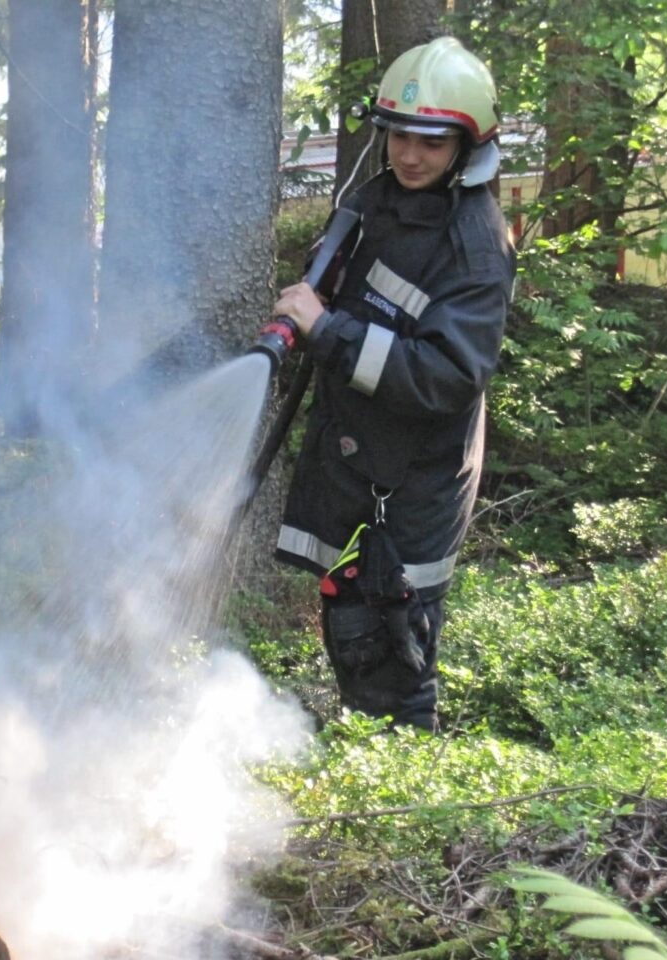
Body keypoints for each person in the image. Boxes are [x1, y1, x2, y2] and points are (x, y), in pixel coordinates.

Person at [269, 37, 517, 731]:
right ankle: (369, 753)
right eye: (399, 136)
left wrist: (328, 332)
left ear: (468, 145)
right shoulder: (379, 199)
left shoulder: (473, 246)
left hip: (409, 490)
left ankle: (403, 778)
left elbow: (446, 376)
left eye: (431, 143)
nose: (409, 155)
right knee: (352, 634)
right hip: (359, 464)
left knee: (394, 659)